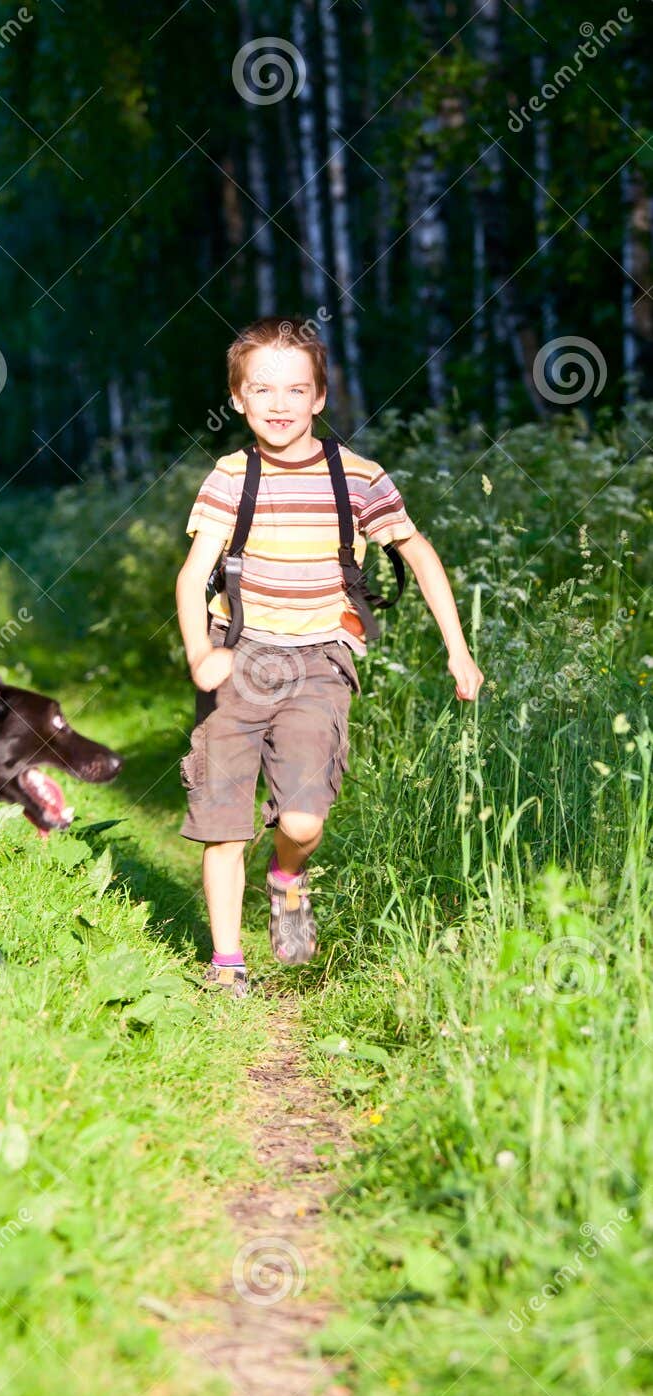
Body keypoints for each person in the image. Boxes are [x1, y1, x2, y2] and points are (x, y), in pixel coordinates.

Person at [175, 316, 484, 996]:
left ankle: (287, 877)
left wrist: (457, 652)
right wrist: (201, 652)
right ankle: (226, 965)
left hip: (320, 659)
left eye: (295, 390)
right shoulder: (230, 476)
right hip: (237, 653)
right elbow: (191, 573)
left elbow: (419, 555)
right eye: (261, 389)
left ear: (319, 398)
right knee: (223, 819)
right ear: (237, 398)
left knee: (302, 819)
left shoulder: (358, 477)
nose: (278, 404)